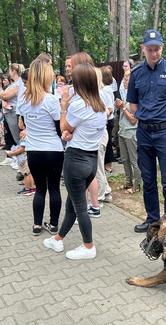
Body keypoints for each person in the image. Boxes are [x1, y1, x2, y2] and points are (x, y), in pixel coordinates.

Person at [43, 63, 107, 260]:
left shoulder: (79, 105)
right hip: (90, 160)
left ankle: (88, 246)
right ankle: (58, 238)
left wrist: (63, 107)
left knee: (80, 208)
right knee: (73, 203)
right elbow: (76, 131)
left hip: (76, 160)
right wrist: (70, 133)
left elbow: (64, 128)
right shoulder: (100, 105)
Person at [127, 29, 166, 232]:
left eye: (157, 49)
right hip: (144, 133)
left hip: (165, 133)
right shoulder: (136, 73)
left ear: (162, 48)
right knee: (148, 179)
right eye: (150, 49)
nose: (154, 53)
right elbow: (133, 105)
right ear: (143, 49)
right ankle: (153, 220)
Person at [18, 59, 64, 236]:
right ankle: (53, 225)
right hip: (53, 149)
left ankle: (37, 225)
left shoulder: (24, 100)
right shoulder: (51, 100)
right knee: (54, 188)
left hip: (34, 150)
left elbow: (23, 124)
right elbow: (58, 128)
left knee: (40, 189)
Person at [115, 71, 141, 193]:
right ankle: (128, 182)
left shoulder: (136, 97)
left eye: (127, 79)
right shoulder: (125, 95)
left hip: (131, 132)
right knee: (124, 160)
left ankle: (136, 186)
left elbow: (133, 120)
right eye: (124, 79)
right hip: (122, 131)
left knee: (134, 160)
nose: (125, 82)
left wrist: (123, 108)